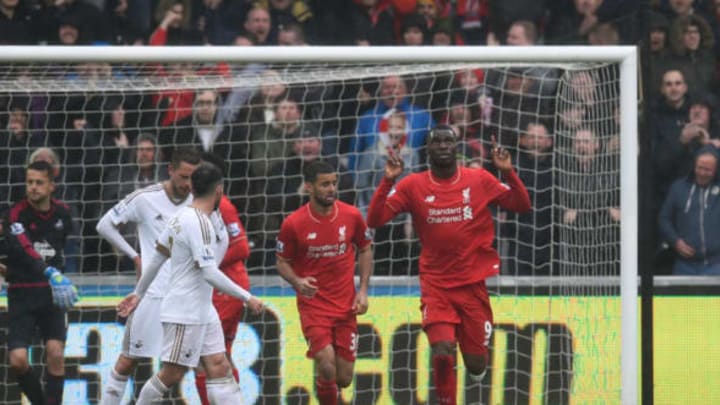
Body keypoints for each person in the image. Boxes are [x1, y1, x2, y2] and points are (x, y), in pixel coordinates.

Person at [366, 125, 531, 404]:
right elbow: (375, 219)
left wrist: (508, 172)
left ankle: (476, 362)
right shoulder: (412, 185)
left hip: (472, 285)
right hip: (436, 284)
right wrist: (388, 181)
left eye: (448, 141)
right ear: (427, 149)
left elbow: (521, 204)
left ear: (456, 148)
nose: (442, 145)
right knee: (442, 349)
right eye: (436, 141)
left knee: (477, 363)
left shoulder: (478, 179)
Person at [117, 162, 264, 404]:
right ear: (219, 190)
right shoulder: (198, 222)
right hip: (185, 310)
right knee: (172, 373)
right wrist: (247, 297)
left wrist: (138, 293)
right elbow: (208, 272)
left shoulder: (181, 218)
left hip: (203, 308)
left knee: (219, 365)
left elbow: (157, 257)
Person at [96, 147, 201, 404]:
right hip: (152, 294)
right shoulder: (145, 198)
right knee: (128, 360)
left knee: (200, 365)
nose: (189, 184)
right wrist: (135, 256)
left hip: (186, 298)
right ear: (170, 171)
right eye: (184, 177)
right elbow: (104, 225)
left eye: (193, 178)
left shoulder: (199, 202)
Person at [275, 160, 373, 405]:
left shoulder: (351, 215)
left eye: (334, 183)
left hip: (346, 305)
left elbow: (365, 248)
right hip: (314, 307)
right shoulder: (294, 223)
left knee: (344, 378)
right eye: (325, 184)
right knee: (327, 365)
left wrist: (362, 290)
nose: (331, 189)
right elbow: (281, 261)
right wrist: (297, 281)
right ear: (309, 187)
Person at [1, 160, 79, 405]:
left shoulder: (63, 214)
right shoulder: (15, 214)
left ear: (51, 185)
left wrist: (64, 277)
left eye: (39, 182)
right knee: (18, 360)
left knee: (56, 353)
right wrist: (50, 272)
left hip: (52, 294)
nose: (33, 187)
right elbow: (25, 249)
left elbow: (68, 249)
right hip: (21, 292)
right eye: (29, 182)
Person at [194, 152, 252, 405]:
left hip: (226, 289)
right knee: (220, 357)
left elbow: (242, 248)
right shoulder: (199, 207)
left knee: (202, 358)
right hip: (222, 288)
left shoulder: (223, 206)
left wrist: (206, 265)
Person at [658, 146, 720, 275]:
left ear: (716, 170)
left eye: (708, 170)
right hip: (685, 265)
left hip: (716, 264)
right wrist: (675, 241)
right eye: (700, 168)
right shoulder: (678, 188)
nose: (702, 173)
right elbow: (664, 219)